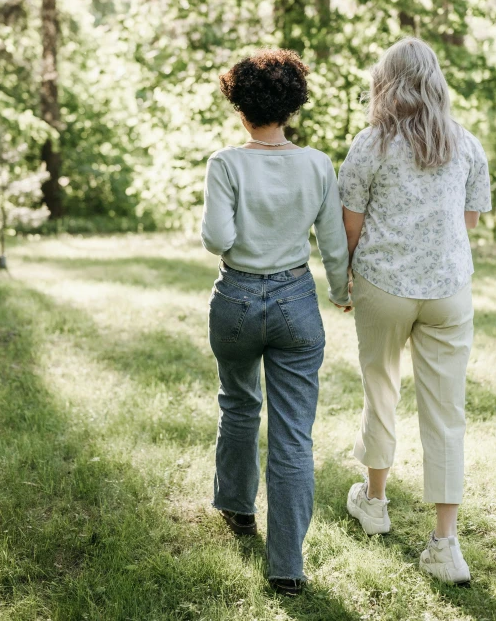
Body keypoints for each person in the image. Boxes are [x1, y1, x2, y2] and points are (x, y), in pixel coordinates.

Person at [338, 37, 492, 584]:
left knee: (380, 388)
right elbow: (468, 224)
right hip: (448, 290)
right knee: (446, 412)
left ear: (388, 81)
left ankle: (374, 503)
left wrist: (344, 282)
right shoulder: (467, 145)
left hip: (383, 285)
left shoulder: (371, 144)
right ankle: (445, 545)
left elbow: (349, 225)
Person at [201, 48, 352, 595]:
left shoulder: (225, 163)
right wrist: (340, 291)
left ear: (239, 106)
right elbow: (333, 243)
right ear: (292, 107)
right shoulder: (316, 164)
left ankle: (238, 509)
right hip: (296, 301)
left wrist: (247, 245)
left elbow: (217, 238)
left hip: (236, 298)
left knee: (238, 403)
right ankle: (286, 568)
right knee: (293, 437)